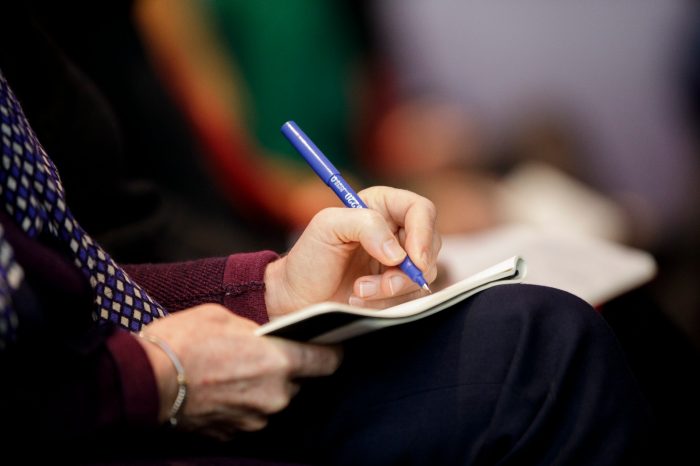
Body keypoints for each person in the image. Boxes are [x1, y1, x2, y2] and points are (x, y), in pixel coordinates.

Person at [0, 5, 651, 466]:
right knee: (547, 345)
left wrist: (273, 287)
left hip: (145, 347)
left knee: (582, 300)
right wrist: (159, 375)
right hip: (119, 400)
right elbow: (204, 183)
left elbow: (81, 271)